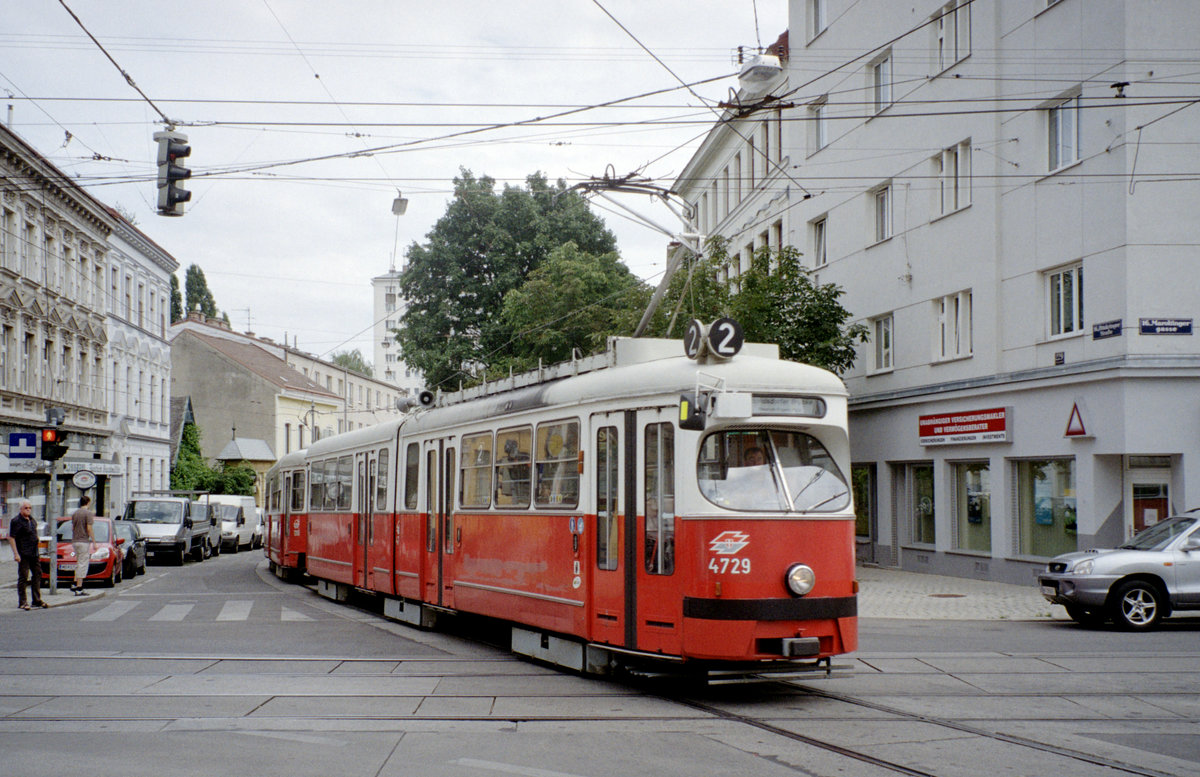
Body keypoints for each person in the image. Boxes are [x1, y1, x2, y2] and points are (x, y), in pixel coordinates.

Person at [7, 500, 47, 610]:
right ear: (20, 509)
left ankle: (36, 600)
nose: (28, 509)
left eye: (30, 507)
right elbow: (11, 537)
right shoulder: (16, 521)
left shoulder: (32, 520)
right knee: (23, 577)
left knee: (38, 574)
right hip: (23, 553)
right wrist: (16, 554)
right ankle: (23, 601)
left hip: (34, 553)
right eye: (26, 508)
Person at [69, 495, 95, 596]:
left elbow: (72, 528)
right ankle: (79, 587)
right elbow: (89, 528)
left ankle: (74, 583)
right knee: (83, 564)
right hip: (84, 541)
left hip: (75, 541)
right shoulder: (88, 513)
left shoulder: (75, 513)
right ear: (88, 502)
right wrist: (94, 541)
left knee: (79, 562)